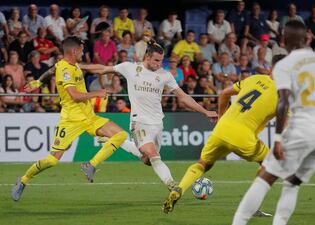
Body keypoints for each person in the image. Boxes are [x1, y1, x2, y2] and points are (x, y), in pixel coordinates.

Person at [232, 20, 315, 225]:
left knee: (264, 178)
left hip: (302, 129)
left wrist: (277, 138)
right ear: (307, 38)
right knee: (292, 184)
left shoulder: (284, 64)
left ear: (284, 40)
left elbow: (283, 101)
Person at [82, 40, 218, 190]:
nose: (159, 64)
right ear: (147, 56)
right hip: (139, 122)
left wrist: (205, 111)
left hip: (157, 124)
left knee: (147, 160)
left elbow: (183, 97)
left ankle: (115, 141)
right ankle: (173, 185)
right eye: (156, 60)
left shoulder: (165, 75)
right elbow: (102, 69)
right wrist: (78, 66)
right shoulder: (130, 68)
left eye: (161, 60)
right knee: (153, 155)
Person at [11, 36, 133, 201]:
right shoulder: (65, 70)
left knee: (121, 135)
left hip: (89, 116)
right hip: (71, 120)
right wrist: (97, 93)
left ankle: (91, 165)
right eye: (82, 50)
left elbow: (84, 68)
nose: (84, 52)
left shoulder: (71, 64)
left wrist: (114, 68)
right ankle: (23, 180)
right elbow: (74, 96)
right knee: (52, 160)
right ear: (74, 51)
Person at [162, 72, 278, 214]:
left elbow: (224, 93)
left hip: (221, 129)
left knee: (202, 164)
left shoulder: (254, 78)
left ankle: (179, 189)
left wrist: (221, 118)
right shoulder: (284, 95)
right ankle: (252, 207)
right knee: (269, 165)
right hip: (243, 136)